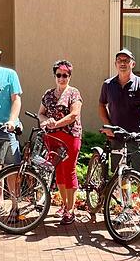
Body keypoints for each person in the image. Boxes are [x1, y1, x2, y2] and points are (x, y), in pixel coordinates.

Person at [98, 48, 140, 177]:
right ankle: (123, 198)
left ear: (133, 64)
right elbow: (102, 105)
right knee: (119, 177)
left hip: (137, 136)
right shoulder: (108, 85)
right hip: (116, 137)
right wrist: (107, 125)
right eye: (119, 60)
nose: (123, 63)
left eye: (126, 60)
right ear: (115, 64)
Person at [37, 60, 82, 225]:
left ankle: (71, 210)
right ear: (55, 76)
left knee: (69, 170)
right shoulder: (48, 94)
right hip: (52, 138)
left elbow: (74, 115)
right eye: (59, 75)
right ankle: (64, 204)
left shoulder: (74, 93)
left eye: (65, 75)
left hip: (70, 136)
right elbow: (40, 113)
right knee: (59, 172)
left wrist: (57, 123)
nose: (62, 78)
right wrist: (44, 120)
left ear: (69, 77)